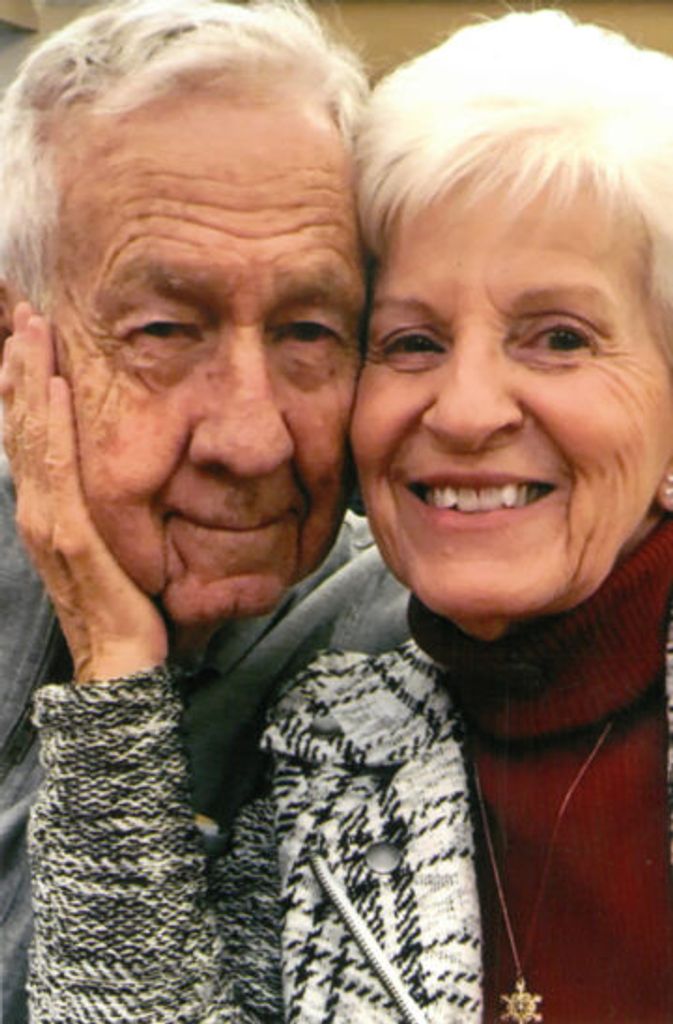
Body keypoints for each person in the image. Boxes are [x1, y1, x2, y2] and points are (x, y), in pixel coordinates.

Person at [13, 6, 673, 1024]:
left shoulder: (332, 669)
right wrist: (114, 667)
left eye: (559, 338)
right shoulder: (337, 741)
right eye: (411, 342)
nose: (465, 411)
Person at [0, 2, 410, 1022]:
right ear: (16, 347)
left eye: (308, 330)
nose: (253, 438)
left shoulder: (403, 660)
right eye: (165, 330)